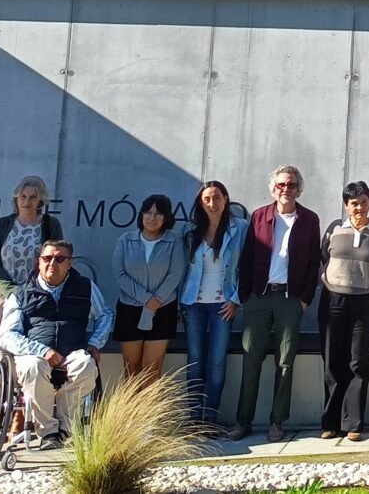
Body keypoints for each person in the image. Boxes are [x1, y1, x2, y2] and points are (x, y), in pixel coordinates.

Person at [226, 165, 321, 443]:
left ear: (298, 189)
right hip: (259, 298)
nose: (286, 189)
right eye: (281, 184)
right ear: (273, 188)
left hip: (290, 300)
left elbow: (313, 261)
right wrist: (246, 296)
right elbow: (247, 258)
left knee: (285, 362)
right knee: (251, 359)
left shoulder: (309, 219)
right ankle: (243, 421)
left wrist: (305, 300)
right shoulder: (259, 216)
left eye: (291, 185)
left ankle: (277, 421)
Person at [0, 239, 110, 448]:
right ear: (39, 261)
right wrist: (43, 351)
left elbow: (105, 315)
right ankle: (48, 431)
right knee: (33, 367)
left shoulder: (86, 287)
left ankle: (65, 427)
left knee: (86, 365)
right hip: (34, 353)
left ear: (70, 263)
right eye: (47, 258)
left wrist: (95, 343)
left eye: (60, 259)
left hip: (73, 351)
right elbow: (7, 335)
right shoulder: (21, 293)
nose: (52, 263)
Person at [319, 181, 369, 441]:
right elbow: (323, 257)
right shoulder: (334, 229)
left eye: (363, 202)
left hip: (364, 303)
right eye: (354, 203)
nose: (359, 207)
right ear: (346, 206)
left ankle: (353, 424)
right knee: (332, 361)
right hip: (333, 301)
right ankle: (330, 422)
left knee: (358, 363)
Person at [181, 180, 245, 429]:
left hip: (222, 305)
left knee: (217, 361)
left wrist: (236, 299)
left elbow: (246, 266)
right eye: (206, 199)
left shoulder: (240, 228)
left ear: (226, 199)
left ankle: (210, 418)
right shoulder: (190, 231)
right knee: (195, 359)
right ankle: (194, 417)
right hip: (193, 304)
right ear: (200, 203)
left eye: (217, 197)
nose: (212, 203)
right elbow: (182, 268)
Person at [0, 175, 64, 348]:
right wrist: (11, 290)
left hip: (36, 297)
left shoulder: (50, 225)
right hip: (5, 296)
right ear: (16, 198)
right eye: (22, 196)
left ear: (40, 201)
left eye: (32, 197)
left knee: (31, 348)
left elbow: (57, 259)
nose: (26, 201)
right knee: (2, 349)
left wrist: (34, 291)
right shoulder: (3, 225)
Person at [113, 194, 185, 386]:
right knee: (131, 368)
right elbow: (119, 274)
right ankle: (130, 407)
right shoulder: (126, 240)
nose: (152, 217)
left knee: (151, 369)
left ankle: (151, 407)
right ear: (141, 214)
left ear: (166, 217)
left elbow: (175, 274)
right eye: (148, 212)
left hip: (163, 309)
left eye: (158, 213)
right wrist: (146, 299)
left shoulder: (175, 241)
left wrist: (157, 300)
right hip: (129, 309)